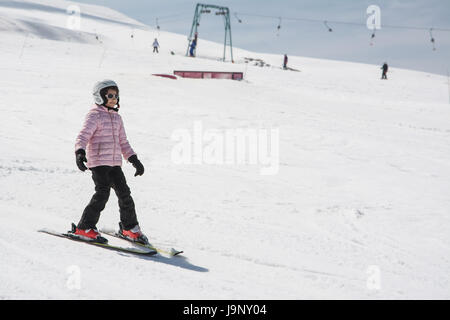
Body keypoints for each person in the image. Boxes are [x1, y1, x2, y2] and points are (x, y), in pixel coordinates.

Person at [73, 80, 148, 244]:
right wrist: (80, 152)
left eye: (116, 95)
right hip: (99, 163)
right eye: (110, 95)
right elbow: (83, 135)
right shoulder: (94, 115)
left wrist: (134, 159)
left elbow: (123, 142)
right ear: (100, 97)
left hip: (115, 164)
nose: (114, 98)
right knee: (102, 194)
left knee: (125, 195)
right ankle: (84, 227)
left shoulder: (117, 118)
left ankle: (129, 227)